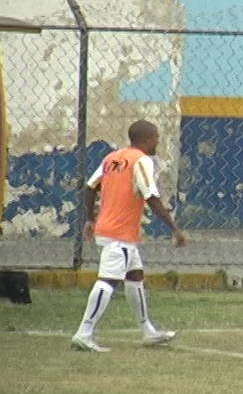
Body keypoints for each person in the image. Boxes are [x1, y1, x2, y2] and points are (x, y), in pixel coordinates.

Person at [71, 120, 189, 352]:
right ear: (146, 139)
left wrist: (90, 218)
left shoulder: (112, 158)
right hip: (119, 233)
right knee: (108, 281)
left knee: (135, 276)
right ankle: (84, 332)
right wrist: (175, 228)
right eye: (156, 137)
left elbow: (90, 187)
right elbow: (151, 197)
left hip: (111, 229)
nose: (158, 142)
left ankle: (148, 331)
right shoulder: (142, 160)